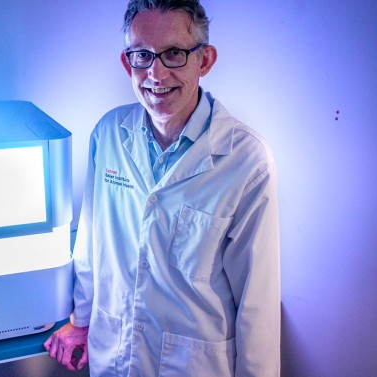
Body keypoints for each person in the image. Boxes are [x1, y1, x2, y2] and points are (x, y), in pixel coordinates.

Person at [44, 0, 280, 375]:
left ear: (204, 61)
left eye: (173, 54)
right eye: (142, 55)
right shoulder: (108, 133)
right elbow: (92, 243)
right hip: (114, 357)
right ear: (127, 62)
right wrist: (81, 320)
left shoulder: (245, 159)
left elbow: (257, 300)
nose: (155, 73)